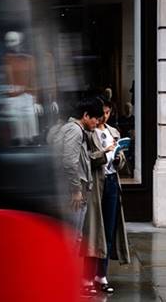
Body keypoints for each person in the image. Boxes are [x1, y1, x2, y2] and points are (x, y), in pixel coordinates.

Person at [51, 96, 104, 296]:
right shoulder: (75, 131)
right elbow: (69, 162)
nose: (97, 123)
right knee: (73, 239)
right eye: (95, 119)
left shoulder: (70, 129)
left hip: (71, 190)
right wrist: (76, 190)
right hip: (73, 193)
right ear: (85, 115)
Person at [90, 98, 131, 294]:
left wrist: (117, 157)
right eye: (101, 112)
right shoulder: (88, 133)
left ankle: (102, 275)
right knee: (94, 230)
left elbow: (121, 161)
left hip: (113, 181)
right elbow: (87, 159)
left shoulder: (113, 132)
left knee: (108, 229)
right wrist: (104, 153)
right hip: (98, 184)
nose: (103, 116)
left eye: (107, 113)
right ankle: (88, 275)